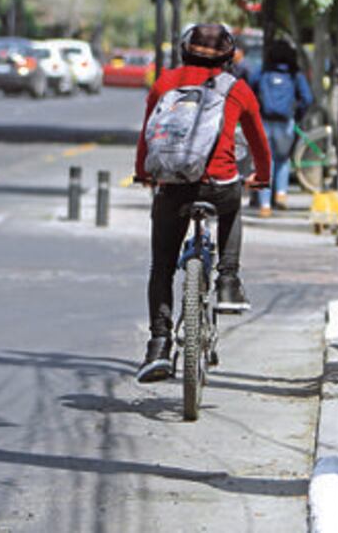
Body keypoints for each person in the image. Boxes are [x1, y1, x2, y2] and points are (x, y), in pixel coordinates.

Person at [134, 23, 271, 383]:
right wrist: (264, 176)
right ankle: (228, 279)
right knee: (233, 201)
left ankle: (159, 345)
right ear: (228, 57)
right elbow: (258, 139)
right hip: (218, 187)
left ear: (184, 49)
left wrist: (144, 174)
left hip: (173, 186)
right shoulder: (237, 89)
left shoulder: (165, 82)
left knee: (161, 266)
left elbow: (147, 136)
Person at [250, 39, 314, 217]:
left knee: (264, 162)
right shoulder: (295, 75)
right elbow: (307, 98)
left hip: (264, 121)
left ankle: (264, 205)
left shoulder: (262, 73)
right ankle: (281, 193)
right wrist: (298, 113)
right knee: (283, 159)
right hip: (286, 122)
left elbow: (248, 90)